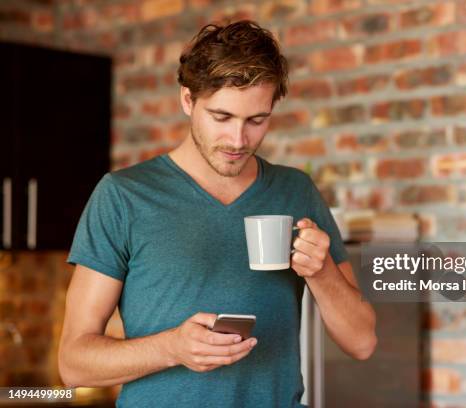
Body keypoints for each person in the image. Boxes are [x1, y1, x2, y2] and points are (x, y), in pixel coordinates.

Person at [58, 20, 376, 407]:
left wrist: (322, 273)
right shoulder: (124, 196)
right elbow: (74, 363)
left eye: (256, 121)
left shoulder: (295, 192)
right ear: (188, 100)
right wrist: (173, 348)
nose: (238, 140)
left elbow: (362, 342)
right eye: (222, 118)